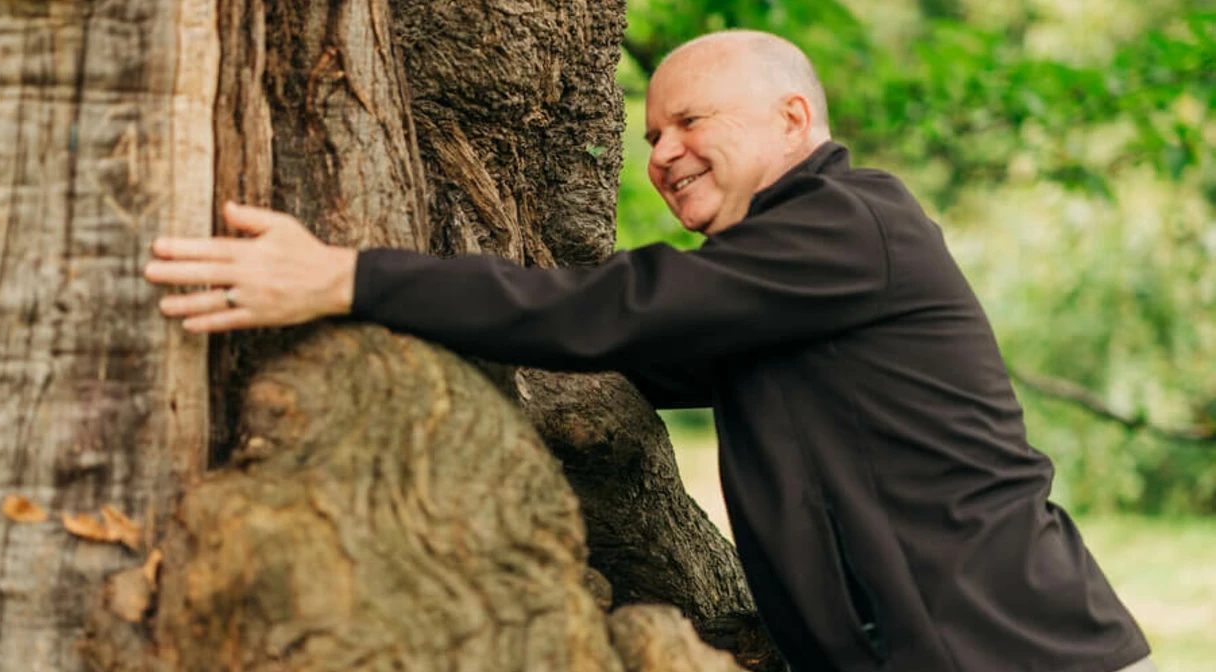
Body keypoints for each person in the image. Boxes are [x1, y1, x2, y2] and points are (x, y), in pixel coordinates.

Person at [143, 29, 1155, 672]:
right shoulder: (785, 284)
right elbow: (619, 344)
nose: (660, 153)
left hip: (1000, 650)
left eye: (690, 121)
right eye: (650, 132)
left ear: (793, 120)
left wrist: (346, 278)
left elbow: (616, 311)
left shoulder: (852, 224)